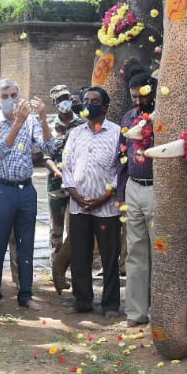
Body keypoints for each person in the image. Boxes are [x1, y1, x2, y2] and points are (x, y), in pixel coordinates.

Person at [0, 79, 51, 312]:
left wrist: (42, 118)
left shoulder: (31, 121)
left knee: (26, 243)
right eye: (6, 96)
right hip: (1, 188)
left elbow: (48, 149)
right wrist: (17, 123)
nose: (11, 100)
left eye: (14, 95)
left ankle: (26, 293)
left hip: (26, 190)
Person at [61, 86, 123, 317]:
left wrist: (104, 197)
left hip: (106, 207)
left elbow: (121, 169)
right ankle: (82, 301)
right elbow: (65, 164)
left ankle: (110, 304)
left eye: (94, 100)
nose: (88, 104)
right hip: (78, 205)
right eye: (86, 100)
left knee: (109, 256)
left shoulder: (117, 133)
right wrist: (75, 195)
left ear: (105, 107)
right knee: (79, 255)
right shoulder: (76, 133)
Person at [117, 71, 157, 326]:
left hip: (156, 189)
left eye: (140, 97)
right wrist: (121, 195)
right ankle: (135, 312)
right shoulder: (128, 118)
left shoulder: (161, 119)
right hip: (133, 186)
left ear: (151, 93)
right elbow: (121, 158)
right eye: (132, 97)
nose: (136, 102)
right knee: (135, 252)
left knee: (158, 252)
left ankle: (159, 311)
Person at [45, 84, 84, 292]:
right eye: (60, 99)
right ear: (55, 103)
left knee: (78, 227)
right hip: (56, 184)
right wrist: (56, 171)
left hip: (79, 184)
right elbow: (46, 156)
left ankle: (74, 269)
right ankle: (56, 271)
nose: (64, 101)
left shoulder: (83, 123)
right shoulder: (49, 126)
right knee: (56, 229)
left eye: (67, 97)